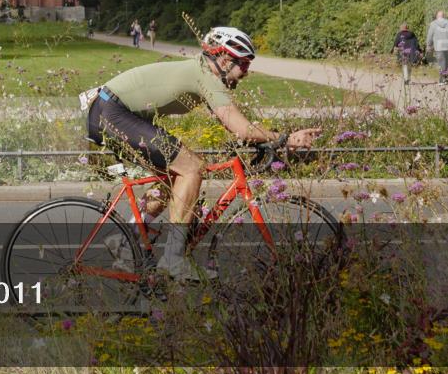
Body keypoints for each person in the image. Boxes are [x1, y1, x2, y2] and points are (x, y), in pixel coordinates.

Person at [80, 27, 321, 280]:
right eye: (244, 64)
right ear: (226, 59)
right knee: (192, 167)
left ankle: (124, 239)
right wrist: (286, 138)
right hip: (112, 113)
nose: (246, 73)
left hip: (109, 111)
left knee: (175, 176)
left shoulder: (202, 73)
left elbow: (234, 124)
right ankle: (172, 259)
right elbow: (242, 128)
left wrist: (264, 138)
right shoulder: (204, 76)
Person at [426, 11, 448, 85]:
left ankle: (442, 80)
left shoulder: (433, 24)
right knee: (446, 63)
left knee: (441, 63)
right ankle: (446, 79)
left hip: (439, 45)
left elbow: (430, 36)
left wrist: (428, 45)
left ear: (437, 16)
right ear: (444, 16)